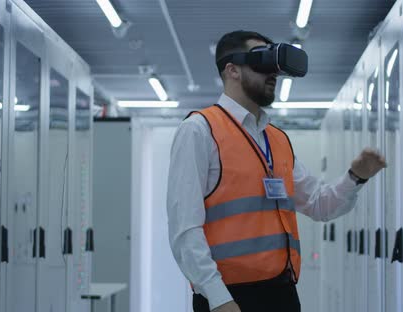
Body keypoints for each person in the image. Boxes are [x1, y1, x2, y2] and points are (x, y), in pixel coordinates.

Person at [166, 30, 387, 312]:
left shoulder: (277, 139)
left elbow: (319, 205)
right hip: (228, 297)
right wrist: (218, 296)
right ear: (231, 70)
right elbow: (184, 228)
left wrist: (356, 177)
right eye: (262, 62)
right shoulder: (199, 131)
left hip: (281, 292)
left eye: (275, 66)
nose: (273, 74)